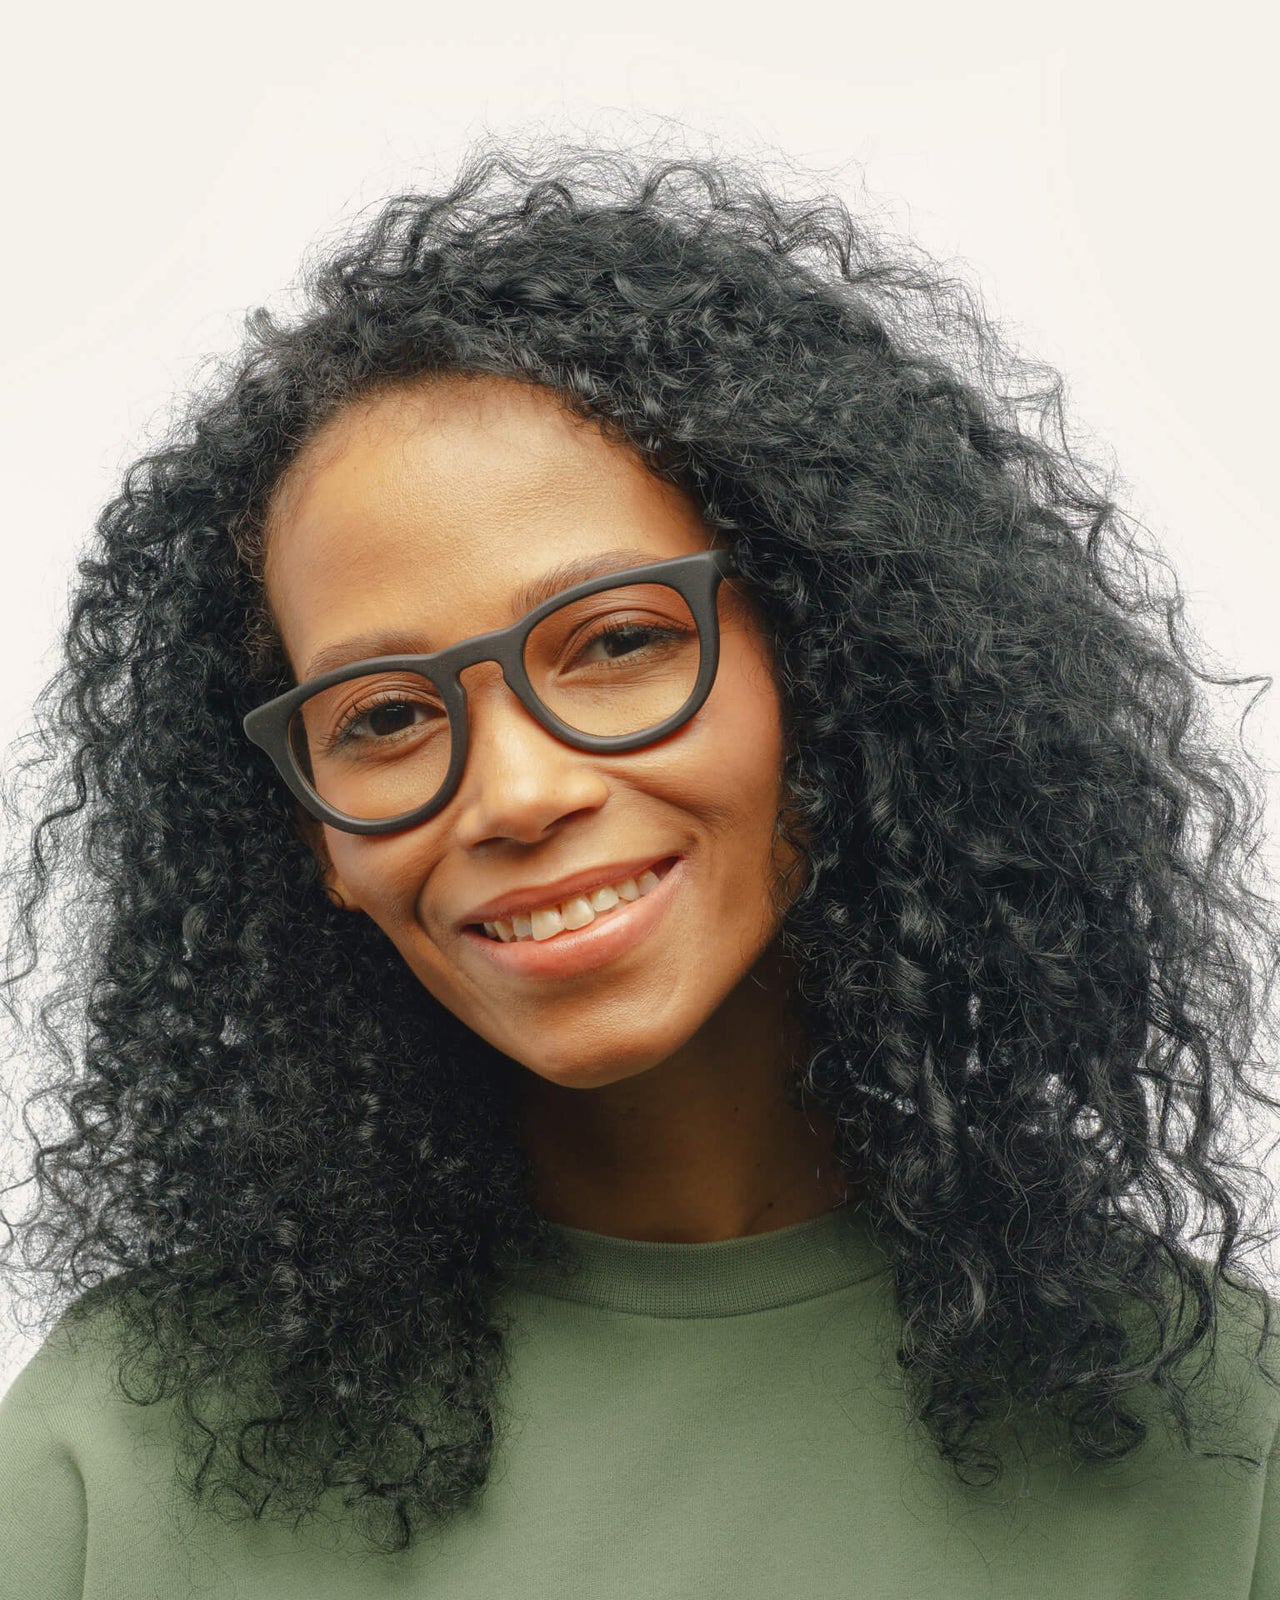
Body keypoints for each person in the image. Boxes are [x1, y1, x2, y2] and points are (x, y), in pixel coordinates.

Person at [0, 136, 1277, 1596]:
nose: (517, 793)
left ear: (839, 666)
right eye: (388, 718)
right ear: (316, 843)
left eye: (616, 644)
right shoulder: (120, 1459)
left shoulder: (1218, 1442)